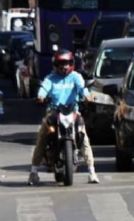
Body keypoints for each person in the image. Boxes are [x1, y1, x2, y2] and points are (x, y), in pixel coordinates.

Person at [28, 50, 99, 185]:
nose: (64, 66)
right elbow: (43, 89)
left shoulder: (76, 77)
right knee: (42, 138)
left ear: (71, 63)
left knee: (84, 139)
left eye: (66, 63)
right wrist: (40, 96)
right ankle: (33, 172)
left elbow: (82, 89)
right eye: (61, 63)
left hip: (73, 112)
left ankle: (92, 172)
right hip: (53, 113)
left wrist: (88, 96)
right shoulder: (50, 78)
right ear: (55, 64)